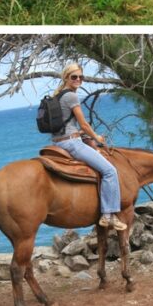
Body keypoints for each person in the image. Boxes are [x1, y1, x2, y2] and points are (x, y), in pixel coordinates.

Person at [48, 63, 127, 231]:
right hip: (71, 143)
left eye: (81, 77)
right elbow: (83, 124)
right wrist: (96, 137)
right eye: (74, 77)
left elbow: (70, 125)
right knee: (110, 171)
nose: (78, 80)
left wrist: (84, 135)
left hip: (58, 142)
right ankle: (107, 215)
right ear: (66, 78)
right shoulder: (71, 97)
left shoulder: (58, 96)